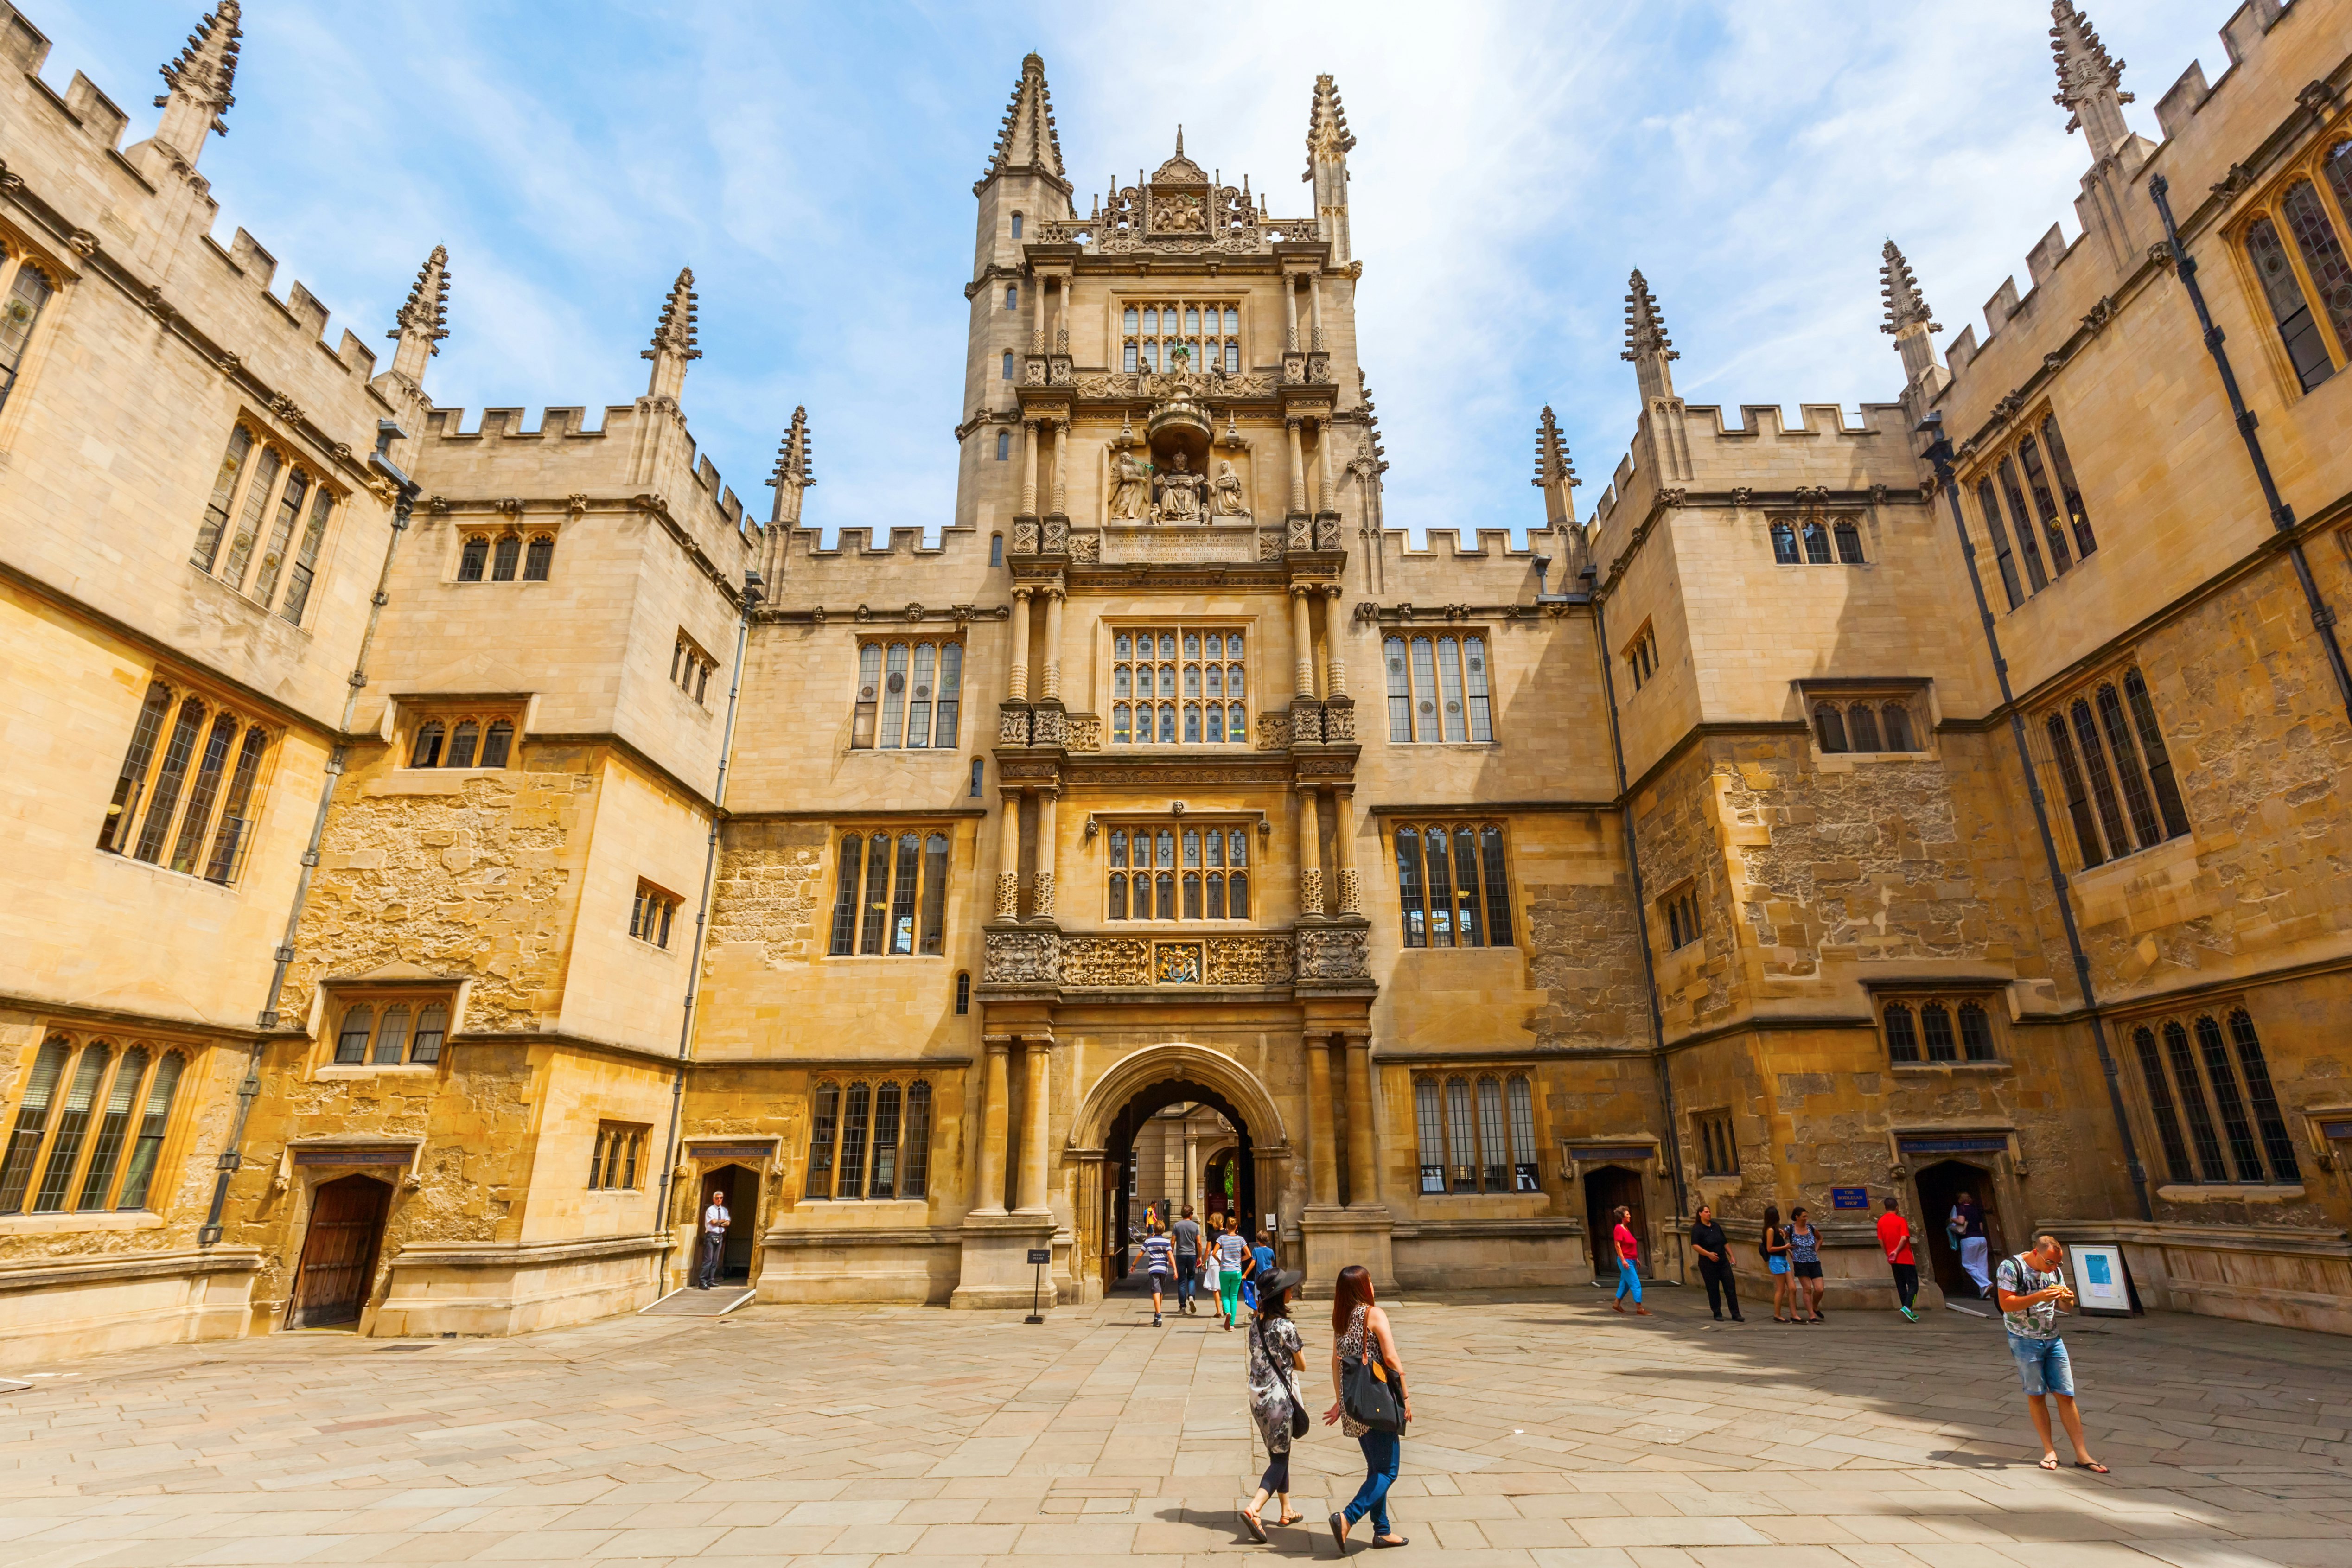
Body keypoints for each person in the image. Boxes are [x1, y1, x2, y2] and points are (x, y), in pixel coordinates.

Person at [1996, 1234, 2107, 1474]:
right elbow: (2006, 1304)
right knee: (2037, 1395)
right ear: (2036, 1253)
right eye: (2050, 1263)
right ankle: (2050, 1450)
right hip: (2024, 1338)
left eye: (2058, 1264)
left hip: (2053, 1337)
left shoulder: (2054, 1271)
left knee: (2065, 1394)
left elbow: (2065, 1307)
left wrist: (2069, 1300)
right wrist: (2039, 1296)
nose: (2054, 1268)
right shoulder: (2010, 1267)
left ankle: (2082, 1454)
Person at [1323, 1264, 1409, 1552]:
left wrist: (1340, 1401)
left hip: (1355, 1405)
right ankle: (1347, 1517)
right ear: (1363, 1287)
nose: (1372, 1286)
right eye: (1370, 1282)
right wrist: (1406, 1398)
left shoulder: (1341, 1318)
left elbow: (1336, 1363)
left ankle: (1382, 1531)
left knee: (1377, 1467)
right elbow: (1392, 1358)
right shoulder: (1373, 1314)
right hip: (1377, 1403)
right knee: (1389, 1471)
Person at [1239, 1267, 1308, 1544]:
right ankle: (1254, 1509)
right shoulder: (1286, 1327)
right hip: (1279, 1400)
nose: (1293, 1290)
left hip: (1258, 1398)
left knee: (1279, 1452)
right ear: (1280, 1296)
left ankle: (1286, 1509)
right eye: (1288, 1288)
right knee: (1280, 1458)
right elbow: (1302, 1365)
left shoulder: (1255, 1324)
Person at [1689, 1203, 1741, 1322]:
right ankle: (1717, 1312)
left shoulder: (1716, 1226)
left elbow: (1724, 1242)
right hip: (1708, 1263)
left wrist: (1732, 1256)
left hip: (1723, 1261)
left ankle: (1736, 1313)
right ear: (1700, 1214)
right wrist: (1708, 1254)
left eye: (1709, 1212)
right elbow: (1695, 1245)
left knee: (1730, 1286)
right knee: (1713, 1288)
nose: (1709, 1214)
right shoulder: (1697, 1228)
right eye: (1706, 1212)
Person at [1878, 1195, 1919, 1321]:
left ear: (1885, 1208)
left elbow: (1881, 1240)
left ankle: (1908, 1309)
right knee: (1914, 1285)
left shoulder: (1881, 1222)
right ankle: (1907, 1307)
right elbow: (1904, 1238)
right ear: (1897, 1207)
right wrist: (1896, 1251)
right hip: (1905, 1257)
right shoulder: (1901, 1220)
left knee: (1901, 1285)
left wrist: (1888, 1254)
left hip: (1893, 1260)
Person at [1787, 1205, 1824, 1323]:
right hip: (1800, 1262)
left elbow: (1820, 1238)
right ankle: (1812, 1315)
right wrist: (1788, 1250)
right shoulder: (1790, 1229)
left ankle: (1815, 1306)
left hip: (1814, 1262)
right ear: (1797, 1217)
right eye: (1803, 1217)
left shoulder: (1811, 1228)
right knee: (1807, 1288)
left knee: (1819, 1289)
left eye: (1806, 1216)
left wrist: (1816, 1250)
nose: (1806, 1219)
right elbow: (1779, 1239)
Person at [1609, 1205, 1649, 1316]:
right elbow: (1618, 1246)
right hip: (1626, 1261)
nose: (1630, 1216)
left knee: (1625, 1284)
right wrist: (1623, 1261)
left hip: (1632, 1260)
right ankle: (1639, 1308)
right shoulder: (1618, 1229)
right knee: (1636, 1283)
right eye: (1627, 1215)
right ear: (1622, 1217)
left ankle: (1617, 1304)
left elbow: (1629, 1245)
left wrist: (1636, 1258)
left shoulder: (1626, 1228)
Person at [1953, 1192, 1993, 1298]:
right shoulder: (1976, 1209)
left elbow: (1961, 1222)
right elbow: (1981, 1228)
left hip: (1969, 1239)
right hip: (1981, 1239)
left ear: (1960, 1200)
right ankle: (1985, 1294)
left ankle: (1986, 1284)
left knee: (1968, 1265)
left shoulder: (1962, 1208)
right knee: (1982, 1266)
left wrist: (1952, 1219)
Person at [1216, 1214, 1251, 1330]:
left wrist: (1220, 1261)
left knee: (1225, 1295)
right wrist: (1241, 1259)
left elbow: (1213, 1252)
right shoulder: (1241, 1239)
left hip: (1225, 1270)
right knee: (1234, 1297)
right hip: (1236, 1270)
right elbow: (1249, 1255)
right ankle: (1232, 1324)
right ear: (1236, 1227)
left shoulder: (1222, 1238)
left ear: (1226, 1227)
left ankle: (1227, 1312)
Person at [1760, 1204, 1793, 1323]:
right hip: (1776, 1260)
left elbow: (1779, 1244)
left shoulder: (1776, 1230)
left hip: (1783, 1260)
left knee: (1792, 1288)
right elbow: (1770, 1248)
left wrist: (1786, 1245)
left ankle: (1793, 1314)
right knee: (1781, 1289)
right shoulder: (1770, 1230)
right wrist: (1785, 1246)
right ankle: (1777, 1314)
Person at [1140, 1220, 1175, 1328]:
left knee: (1156, 1291)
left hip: (1154, 1268)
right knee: (1160, 1292)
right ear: (1164, 1229)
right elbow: (1170, 1254)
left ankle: (1158, 1315)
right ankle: (1158, 1314)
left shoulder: (1149, 1241)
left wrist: (1133, 1265)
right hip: (1163, 1269)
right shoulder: (1166, 1241)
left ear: (1154, 1229)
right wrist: (1175, 1269)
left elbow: (1141, 1253)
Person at [1173, 1205, 1204, 1317]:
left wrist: (1170, 1254)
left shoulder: (1177, 1225)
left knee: (1181, 1280)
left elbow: (1173, 1242)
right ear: (1191, 1215)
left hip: (1181, 1255)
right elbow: (1199, 1243)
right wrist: (1200, 1256)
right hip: (1192, 1255)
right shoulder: (1195, 1226)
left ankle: (1182, 1307)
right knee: (1191, 1278)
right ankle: (1191, 1296)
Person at [695, 1188, 729, 1290]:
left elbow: (728, 1223)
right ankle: (702, 1282)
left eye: (721, 1198)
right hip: (711, 1236)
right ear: (714, 1199)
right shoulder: (710, 1210)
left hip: (719, 1236)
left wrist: (719, 1222)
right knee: (708, 1260)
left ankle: (711, 1281)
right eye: (717, 1198)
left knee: (715, 1260)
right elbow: (713, 1222)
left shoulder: (724, 1210)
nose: (719, 1200)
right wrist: (722, 1222)